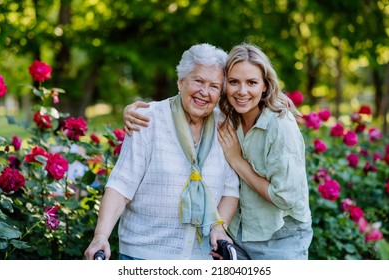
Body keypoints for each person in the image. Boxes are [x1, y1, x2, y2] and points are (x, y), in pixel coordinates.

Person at [123, 43, 313, 260]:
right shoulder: (226, 117)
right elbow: (188, 100)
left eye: (251, 82)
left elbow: (285, 197)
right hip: (236, 236)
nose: (242, 91)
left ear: (265, 85)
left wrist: (237, 161)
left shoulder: (279, 125)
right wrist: (132, 110)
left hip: (279, 238)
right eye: (233, 82)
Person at [84, 43, 239, 260]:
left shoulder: (224, 127)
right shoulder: (148, 119)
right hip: (144, 254)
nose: (205, 92)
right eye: (198, 81)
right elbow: (121, 184)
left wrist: (219, 227)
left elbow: (230, 189)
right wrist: (101, 236)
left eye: (214, 86)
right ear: (180, 81)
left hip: (200, 256)